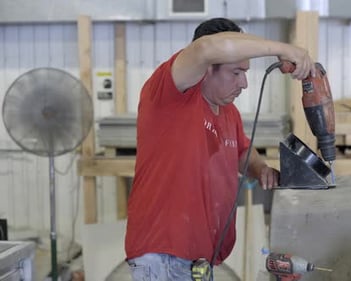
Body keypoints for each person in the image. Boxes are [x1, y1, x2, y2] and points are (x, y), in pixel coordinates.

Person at [124, 17, 316, 281]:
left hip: (198, 261)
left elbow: (240, 152)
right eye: (236, 73)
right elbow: (204, 49)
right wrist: (285, 49)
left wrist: (260, 169)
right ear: (205, 69)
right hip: (164, 255)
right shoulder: (170, 93)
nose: (244, 84)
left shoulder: (228, 113)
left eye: (245, 73)